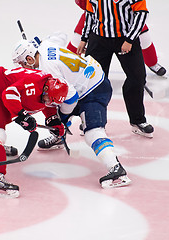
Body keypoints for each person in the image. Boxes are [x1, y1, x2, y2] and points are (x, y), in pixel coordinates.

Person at [12, 37, 131, 188]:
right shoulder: (45, 46)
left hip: (93, 90)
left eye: (23, 63)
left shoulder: (48, 70)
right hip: (86, 81)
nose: (23, 67)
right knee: (53, 102)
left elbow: (71, 98)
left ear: (29, 58)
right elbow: (56, 36)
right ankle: (59, 136)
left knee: (92, 132)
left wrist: (62, 119)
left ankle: (117, 170)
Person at [0, 66, 70, 198]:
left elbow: (47, 105)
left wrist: (53, 121)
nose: (47, 102)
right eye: (48, 98)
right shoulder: (34, 85)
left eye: (51, 101)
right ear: (45, 89)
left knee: (3, 118)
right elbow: (9, 94)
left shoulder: (46, 88)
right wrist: (23, 116)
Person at [77, 0, 154, 138]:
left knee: (137, 78)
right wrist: (84, 38)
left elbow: (141, 14)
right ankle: (92, 122)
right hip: (98, 39)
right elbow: (90, 14)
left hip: (125, 38)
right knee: (93, 81)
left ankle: (138, 121)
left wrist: (130, 39)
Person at [67, 0, 166, 76]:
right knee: (77, 40)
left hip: (125, 16)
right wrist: (84, 38)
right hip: (98, 15)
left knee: (144, 37)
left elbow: (141, 13)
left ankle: (152, 63)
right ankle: (65, 66)